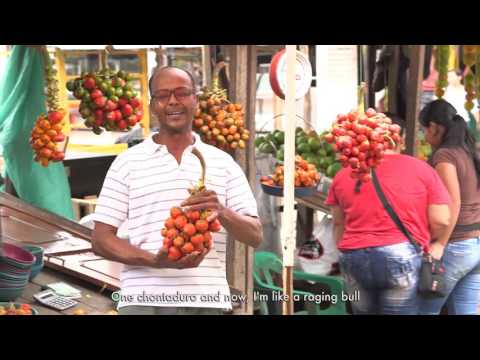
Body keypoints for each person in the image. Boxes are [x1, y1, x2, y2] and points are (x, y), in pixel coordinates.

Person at [91, 66, 262, 315]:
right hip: (143, 300)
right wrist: (154, 261)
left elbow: (254, 235)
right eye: (162, 95)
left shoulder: (223, 163)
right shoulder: (127, 162)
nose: (172, 101)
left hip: (205, 301)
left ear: (195, 100)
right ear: (152, 105)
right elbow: (100, 239)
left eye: (181, 93)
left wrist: (221, 211)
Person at [325, 117, 451, 315]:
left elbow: (338, 224)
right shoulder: (420, 169)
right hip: (400, 254)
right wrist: (434, 243)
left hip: (353, 256)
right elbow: (441, 219)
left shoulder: (344, 173)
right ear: (398, 140)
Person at [418, 99, 480, 315]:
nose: (425, 137)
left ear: (434, 127)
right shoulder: (467, 150)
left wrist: (440, 244)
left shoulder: (445, 156)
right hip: (474, 244)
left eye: (424, 130)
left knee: (424, 310)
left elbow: (453, 202)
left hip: (456, 245)